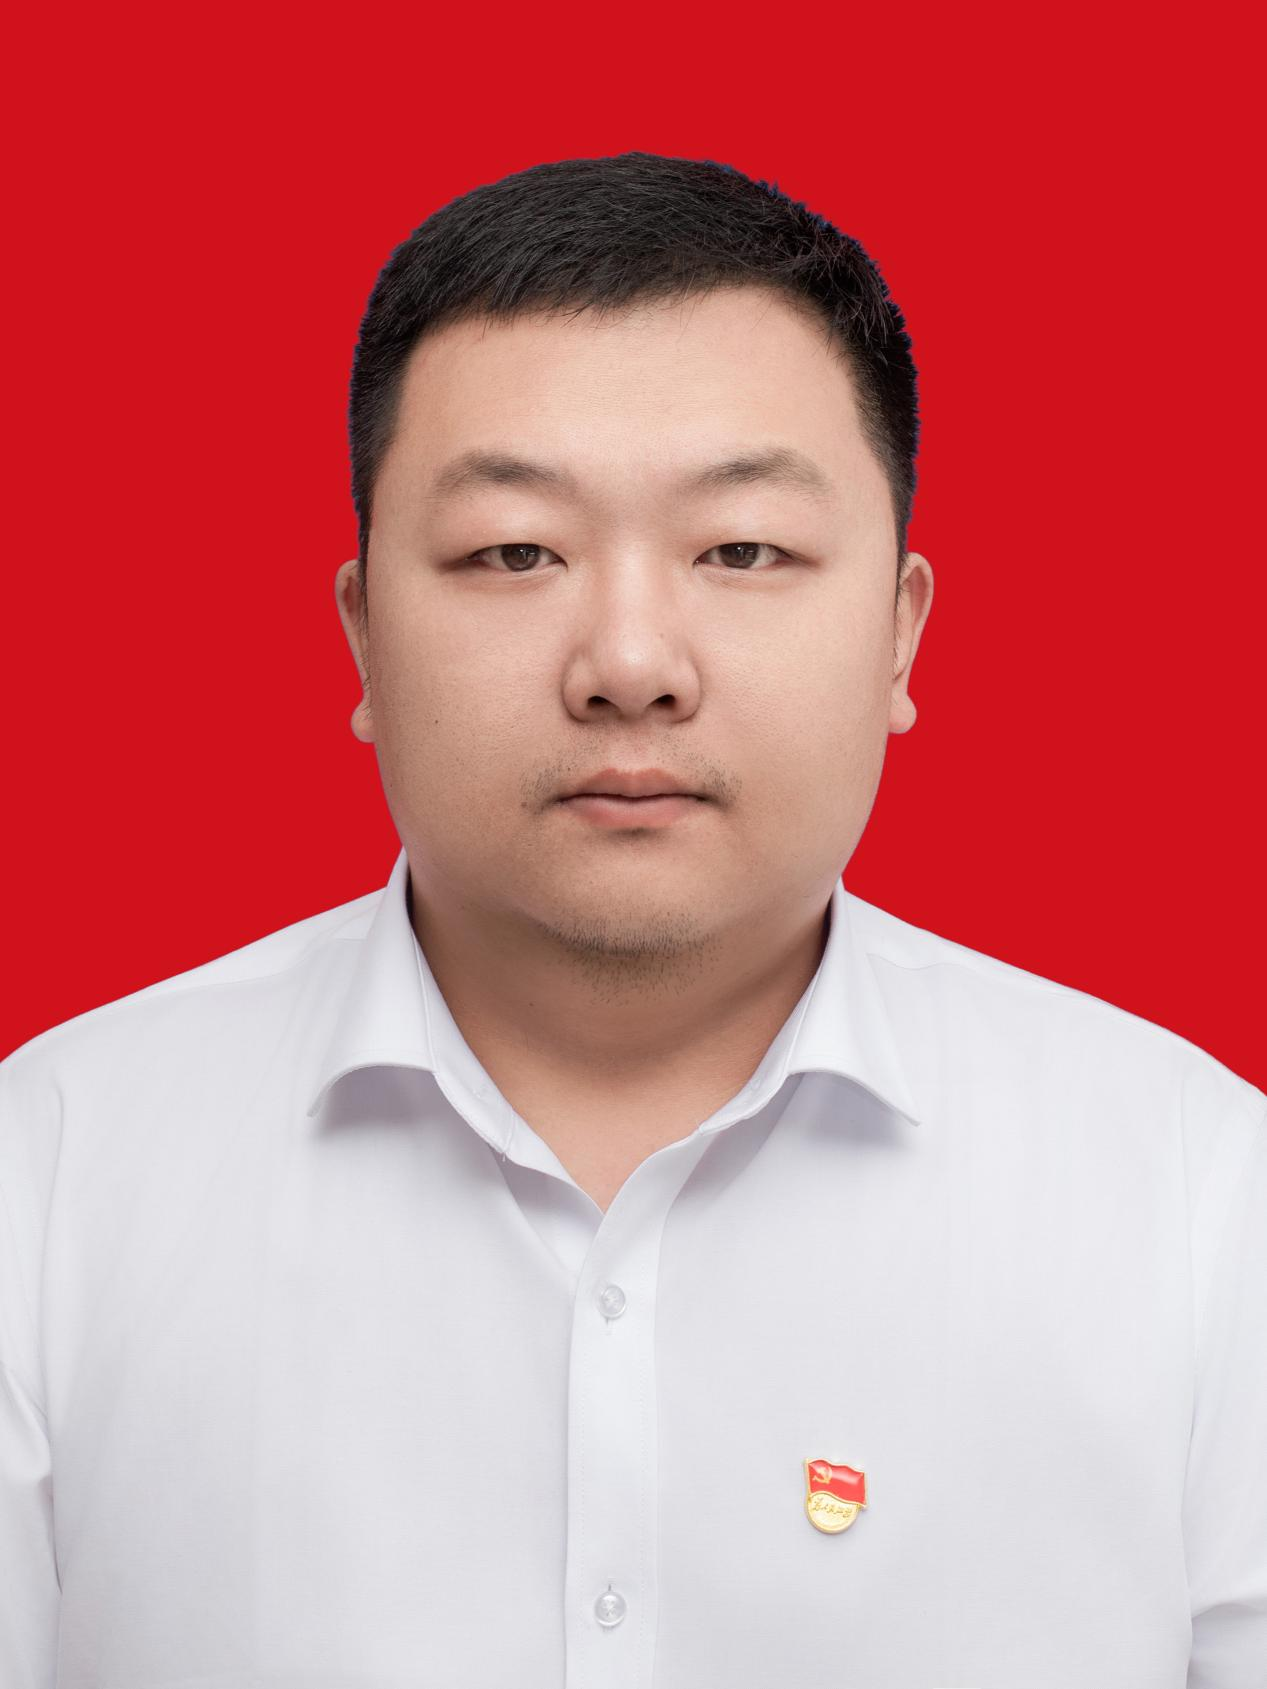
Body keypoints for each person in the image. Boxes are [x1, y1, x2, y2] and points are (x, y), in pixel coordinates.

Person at [1, 152, 1262, 1689]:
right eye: (512, 553)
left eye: (741, 551)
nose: (629, 665)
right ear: (364, 635)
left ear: (898, 633)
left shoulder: (1198, 1199)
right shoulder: (52, 1174)